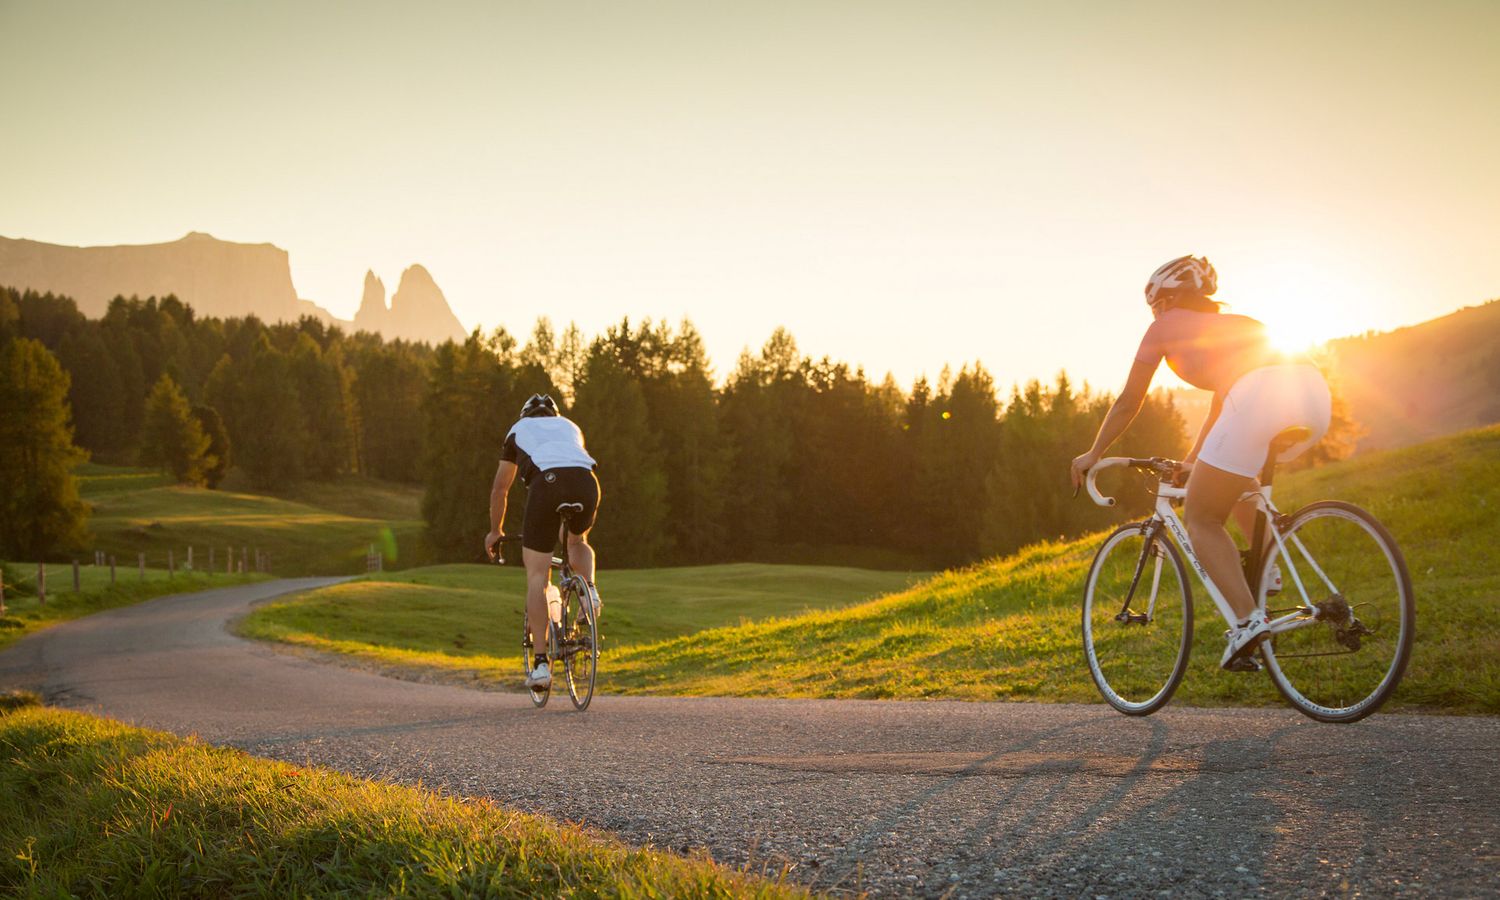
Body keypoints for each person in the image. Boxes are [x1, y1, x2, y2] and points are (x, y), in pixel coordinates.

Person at [1069, 255, 1332, 670]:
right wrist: (1193, 461)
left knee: (1202, 518)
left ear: (1169, 299)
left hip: (1258, 395)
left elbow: (1128, 401)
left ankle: (1248, 622)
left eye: (1155, 304)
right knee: (1237, 480)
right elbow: (1221, 408)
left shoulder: (1164, 326)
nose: (1154, 313)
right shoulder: (1238, 326)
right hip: (1313, 394)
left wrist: (1094, 452)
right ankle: (1268, 571)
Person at [484, 393, 601, 690]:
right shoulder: (571, 426)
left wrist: (495, 530)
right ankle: (590, 593)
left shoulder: (517, 430)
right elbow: (570, 462)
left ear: (526, 415)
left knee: (538, 574)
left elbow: (500, 488)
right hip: (587, 483)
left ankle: (540, 666)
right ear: (554, 415)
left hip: (547, 484)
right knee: (576, 542)